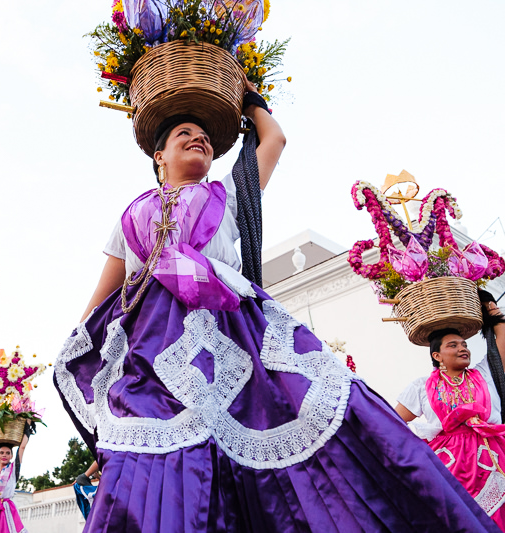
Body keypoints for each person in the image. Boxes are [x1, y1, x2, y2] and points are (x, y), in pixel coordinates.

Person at [53, 71, 501, 532]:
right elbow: (106, 293)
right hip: (152, 347)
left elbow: (274, 139)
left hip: (234, 334)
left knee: (318, 422)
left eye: (204, 136)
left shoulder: (227, 196)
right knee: (149, 459)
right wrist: (76, 345)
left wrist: (248, 98)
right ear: (159, 155)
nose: (198, 139)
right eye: (184, 134)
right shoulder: (132, 215)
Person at [395, 301, 505, 528]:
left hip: (493, 457)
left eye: (464, 344)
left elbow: (503, 339)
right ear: (437, 355)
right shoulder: (422, 386)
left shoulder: (484, 373)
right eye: (453, 345)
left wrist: (492, 311)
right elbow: (392, 423)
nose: (463, 349)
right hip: (449, 468)